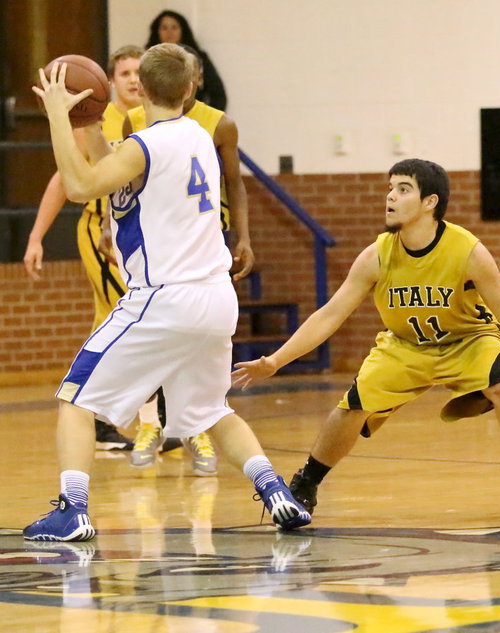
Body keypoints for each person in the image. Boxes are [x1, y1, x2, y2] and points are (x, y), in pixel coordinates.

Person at [24, 43, 310, 542]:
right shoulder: (198, 136)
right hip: (215, 299)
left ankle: (73, 510)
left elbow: (79, 184)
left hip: (165, 297)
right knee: (212, 411)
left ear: (139, 90)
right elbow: (112, 170)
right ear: (190, 89)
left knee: (75, 399)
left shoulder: (145, 146)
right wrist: (86, 123)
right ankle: (274, 490)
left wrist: (55, 114)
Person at [232, 158, 500, 517]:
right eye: (389, 188)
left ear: (430, 202)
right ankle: (306, 484)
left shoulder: (468, 251)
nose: (390, 196)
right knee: (352, 405)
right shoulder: (377, 255)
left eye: (403, 189)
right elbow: (330, 314)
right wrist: (276, 360)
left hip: (469, 339)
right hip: (405, 345)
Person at [121, 43, 254, 473]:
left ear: (196, 80)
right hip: (156, 248)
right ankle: (148, 424)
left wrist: (243, 236)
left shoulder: (218, 125)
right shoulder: (136, 120)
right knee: (155, 339)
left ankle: (195, 428)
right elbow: (128, 186)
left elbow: (236, 184)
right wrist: (112, 228)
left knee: (188, 342)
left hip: (201, 246)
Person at [23, 45, 146, 452]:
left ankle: (100, 414)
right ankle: (132, 418)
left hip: (140, 232)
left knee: (109, 319)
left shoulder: (151, 119)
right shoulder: (93, 116)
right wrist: (37, 235)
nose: (131, 79)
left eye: (137, 72)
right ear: (107, 82)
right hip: (100, 231)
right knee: (129, 318)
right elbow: (64, 179)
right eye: (124, 72)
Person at [146, 10, 226, 110]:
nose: (169, 32)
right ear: (157, 31)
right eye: (164, 28)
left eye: (174, 27)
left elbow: (218, 94)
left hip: (193, 114)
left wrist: (209, 120)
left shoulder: (197, 57)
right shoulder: (147, 58)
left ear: (183, 30)